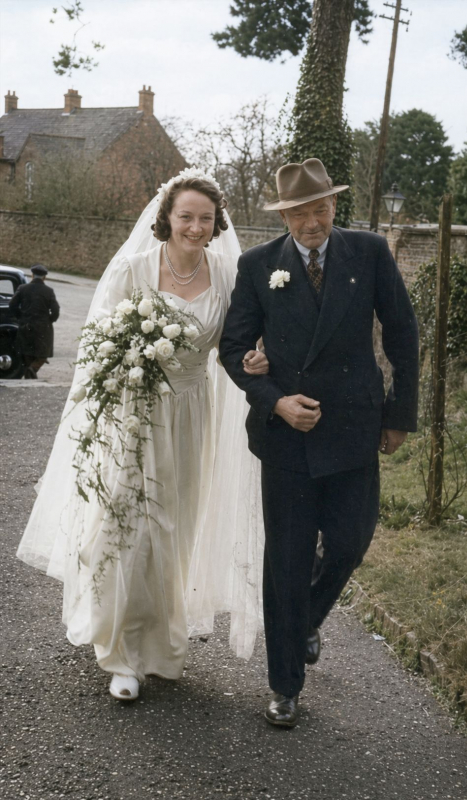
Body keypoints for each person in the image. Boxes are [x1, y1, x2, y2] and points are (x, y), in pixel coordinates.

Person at [17, 169, 268, 702]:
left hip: (192, 413)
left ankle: (160, 644)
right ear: (167, 218)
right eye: (186, 217)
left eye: (205, 218)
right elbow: (97, 344)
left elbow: (237, 341)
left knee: (173, 532)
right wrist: (120, 375)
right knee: (127, 528)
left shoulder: (227, 273)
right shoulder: (133, 269)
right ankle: (123, 656)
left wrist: (253, 356)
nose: (195, 227)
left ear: (216, 221)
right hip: (132, 415)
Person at [219, 158, 420, 727]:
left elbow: (403, 333)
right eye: (300, 212)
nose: (312, 222)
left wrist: (399, 414)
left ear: (336, 206)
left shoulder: (370, 252)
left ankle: (303, 619)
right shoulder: (258, 266)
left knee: (351, 542)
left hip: (355, 426)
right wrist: (275, 399)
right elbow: (234, 349)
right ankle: (284, 683)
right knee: (285, 560)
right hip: (285, 437)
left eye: (321, 209)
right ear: (284, 215)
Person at [9, 263, 60, 379]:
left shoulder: (23, 288)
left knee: (27, 353)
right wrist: (49, 320)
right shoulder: (48, 291)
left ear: (32, 275)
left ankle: (30, 374)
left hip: (25, 325)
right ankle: (32, 371)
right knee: (43, 354)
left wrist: (20, 317)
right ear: (44, 277)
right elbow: (55, 310)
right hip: (43, 327)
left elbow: (12, 305)